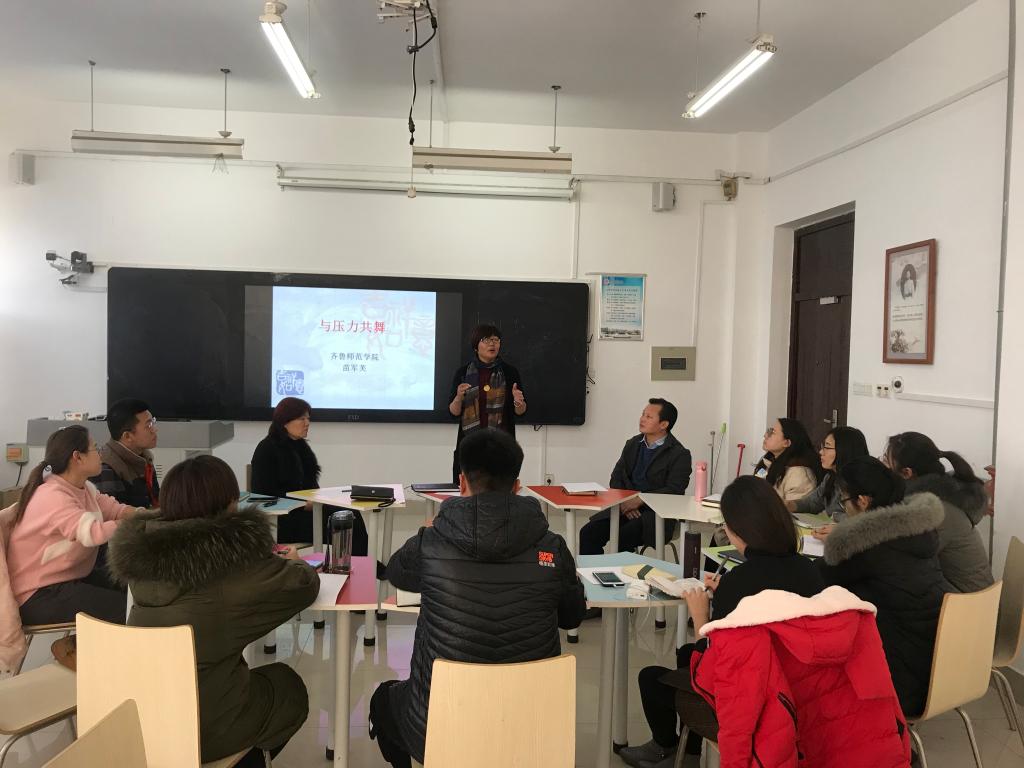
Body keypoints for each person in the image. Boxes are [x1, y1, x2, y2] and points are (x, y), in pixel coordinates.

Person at [370, 429, 586, 768]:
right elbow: (572, 617)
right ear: (517, 486)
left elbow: (396, 573)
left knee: (383, 700)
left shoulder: (431, 541)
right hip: (532, 728)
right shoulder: (552, 547)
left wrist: (431, 532)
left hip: (442, 728)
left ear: (461, 482)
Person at [108, 455, 318, 767]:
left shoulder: (139, 562)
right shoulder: (232, 565)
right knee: (288, 687)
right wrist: (296, 563)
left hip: (143, 719)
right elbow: (303, 586)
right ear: (229, 504)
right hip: (204, 729)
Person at [621, 476, 825, 768]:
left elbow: (712, 665)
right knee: (684, 655)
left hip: (752, 704)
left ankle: (667, 749)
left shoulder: (739, 582)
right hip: (799, 692)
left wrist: (701, 616)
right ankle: (687, 749)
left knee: (652, 677)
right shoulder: (809, 570)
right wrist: (725, 593)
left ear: (736, 530)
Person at [817, 456, 952, 718]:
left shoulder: (867, 546)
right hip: (941, 667)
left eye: (844, 501)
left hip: (900, 683)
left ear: (863, 501)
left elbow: (816, 582)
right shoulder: (919, 532)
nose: (844, 509)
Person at [8, 425, 138, 626]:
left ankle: (77, 644)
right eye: (95, 448)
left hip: (68, 578)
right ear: (78, 457)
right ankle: (75, 645)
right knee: (127, 609)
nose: (101, 453)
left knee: (135, 589)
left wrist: (148, 516)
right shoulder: (52, 495)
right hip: (37, 594)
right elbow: (92, 533)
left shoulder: (83, 488)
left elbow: (115, 509)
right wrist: (135, 525)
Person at [251, 397, 368, 553]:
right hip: (283, 519)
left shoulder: (301, 446)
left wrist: (321, 499)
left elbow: (311, 486)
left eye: (308, 418)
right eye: (302, 419)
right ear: (285, 421)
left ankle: (362, 562)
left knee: (352, 515)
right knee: (346, 522)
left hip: (307, 511)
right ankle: (357, 563)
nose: (307, 423)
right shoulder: (266, 449)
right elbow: (264, 494)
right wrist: (302, 503)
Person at [883, 431, 993, 593]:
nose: (883, 466)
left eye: (886, 461)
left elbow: (907, 559)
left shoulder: (935, 509)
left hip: (968, 602)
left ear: (907, 473)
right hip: (969, 594)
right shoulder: (942, 493)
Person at [579, 398, 692, 556]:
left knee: (623, 537)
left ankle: (623, 572)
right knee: (588, 533)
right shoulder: (633, 444)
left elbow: (674, 490)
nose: (642, 419)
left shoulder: (679, 454)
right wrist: (625, 502)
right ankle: (594, 571)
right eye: (643, 414)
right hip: (624, 507)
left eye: (649, 416)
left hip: (654, 514)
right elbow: (617, 477)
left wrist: (639, 500)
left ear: (664, 424)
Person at [448, 324, 526, 484]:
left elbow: (521, 411)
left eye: (496, 340)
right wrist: (458, 398)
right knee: (467, 492)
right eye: (486, 340)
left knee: (501, 492)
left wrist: (519, 402)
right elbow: (453, 412)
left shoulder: (510, 372)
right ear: (476, 346)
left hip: (502, 447)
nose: (492, 344)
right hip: (470, 446)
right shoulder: (463, 373)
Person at [786, 425, 869, 536]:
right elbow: (812, 503)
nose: (821, 452)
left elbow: (867, 523)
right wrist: (788, 505)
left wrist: (840, 529)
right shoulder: (831, 477)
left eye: (827, 447)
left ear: (844, 450)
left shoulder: (864, 482)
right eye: (822, 446)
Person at [91, 398, 160, 508]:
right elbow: (114, 517)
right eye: (148, 425)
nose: (155, 430)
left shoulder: (144, 458)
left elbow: (155, 502)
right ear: (127, 436)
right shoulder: (105, 468)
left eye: (153, 422)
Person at [754, 418, 821, 502]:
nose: (766, 436)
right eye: (769, 430)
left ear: (786, 443)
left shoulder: (798, 474)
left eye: (773, 432)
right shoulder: (769, 462)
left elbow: (793, 509)